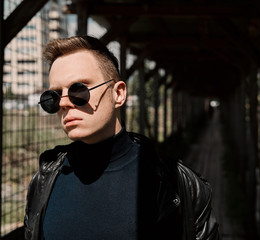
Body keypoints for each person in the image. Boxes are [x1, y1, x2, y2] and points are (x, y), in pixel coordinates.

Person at [24, 35, 219, 240]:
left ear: (118, 94)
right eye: (53, 97)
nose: (63, 103)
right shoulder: (43, 182)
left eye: (78, 90)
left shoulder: (180, 185)